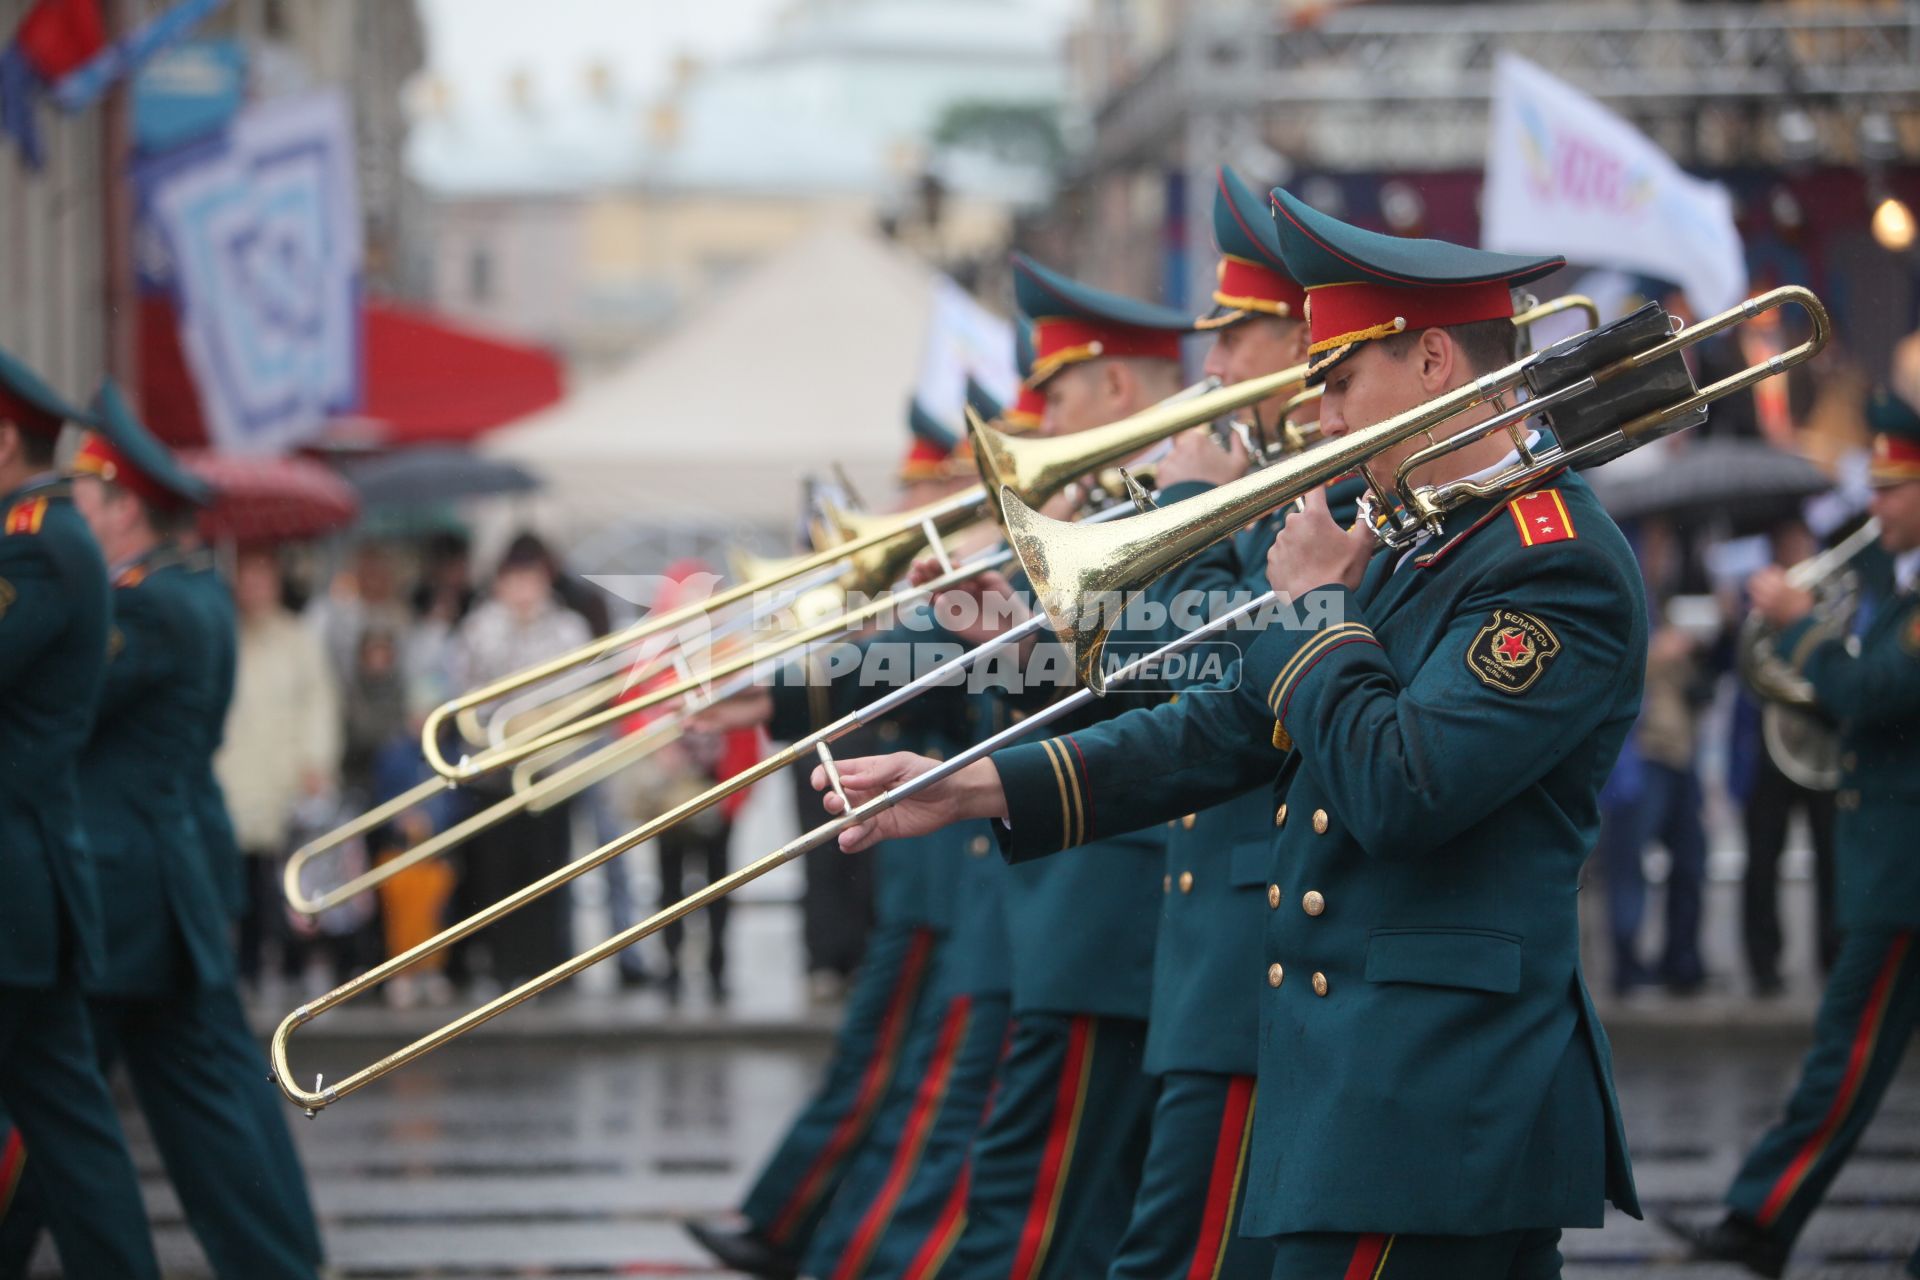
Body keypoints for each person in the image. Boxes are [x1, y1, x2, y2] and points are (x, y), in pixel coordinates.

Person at [818, 192, 1651, 1276]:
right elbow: (1222, 729)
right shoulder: (1413, 539)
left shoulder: (1549, 555)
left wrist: (1311, 607)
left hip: (1436, 1095)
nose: (1328, 415)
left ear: (1438, 359)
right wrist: (976, 785)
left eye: (1343, 377)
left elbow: (1406, 783)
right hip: (1357, 1086)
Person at [2, 382, 317, 1278]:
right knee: (150, 1104)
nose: (81, 515)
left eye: (93, 500)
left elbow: (63, 703)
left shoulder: (144, 604)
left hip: (125, 884)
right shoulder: (193, 595)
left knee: (71, 1104)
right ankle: (278, 1260)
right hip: (158, 880)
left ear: (128, 509)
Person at [687, 399, 990, 1277]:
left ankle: (813, 1236)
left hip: (958, 861)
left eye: (924, 485)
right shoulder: (944, 568)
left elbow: (949, 672)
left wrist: (815, 676)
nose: (907, 502)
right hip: (936, 866)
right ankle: (800, 1225)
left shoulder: (987, 561)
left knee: (914, 1084)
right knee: (890, 1070)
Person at [1666, 386, 1920, 1278]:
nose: (1876, 505)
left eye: (1895, 489)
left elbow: (1870, 694)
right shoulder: (1895, 584)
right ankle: (1760, 1217)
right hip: (1892, 866)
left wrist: (1798, 624)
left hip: (1904, 872)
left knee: (1843, 1058)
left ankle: (1760, 1219)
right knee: (1839, 1058)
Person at [0, 350, 160, 1278]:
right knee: (70, 1127)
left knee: (70, 1126)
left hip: (15, 882)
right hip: (33, 885)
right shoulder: (42, 536)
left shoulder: (33, 545)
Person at [444, 532, 592, 990]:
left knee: (550, 869)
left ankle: (551, 967)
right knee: (498, 873)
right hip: (494, 770)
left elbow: (583, 695)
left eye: (532, 578)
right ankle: (505, 967)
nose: (524, 589)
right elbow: (464, 692)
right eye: (515, 579)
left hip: (550, 769)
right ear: (502, 583)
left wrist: (541, 725)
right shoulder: (479, 627)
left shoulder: (569, 628)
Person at [1595, 519, 1710, 996]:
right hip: (1639, 756)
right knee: (1628, 867)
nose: (1663, 553)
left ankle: (1681, 959)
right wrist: (1657, 652)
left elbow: (1700, 688)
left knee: (1691, 860)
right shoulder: (1619, 590)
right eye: (1656, 542)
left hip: (1678, 751)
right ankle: (1627, 965)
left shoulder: (1661, 599)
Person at [220, 546, 341, 990]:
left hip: (286, 773)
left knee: (290, 877)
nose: (253, 587)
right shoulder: (226, 636)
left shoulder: (298, 639)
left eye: (261, 576)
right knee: (243, 878)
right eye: (246, 577)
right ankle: (247, 965)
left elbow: (319, 705)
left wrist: (317, 759)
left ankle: (293, 963)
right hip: (236, 772)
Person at [1734, 519, 1840, 995]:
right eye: (1786, 540)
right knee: (1762, 857)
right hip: (1769, 744)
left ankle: (1833, 957)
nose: (1796, 547)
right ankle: (1763, 963)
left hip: (1822, 744)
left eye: (1801, 539)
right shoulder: (1754, 595)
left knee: (1831, 857)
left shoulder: (1830, 594)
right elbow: (1735, 665)